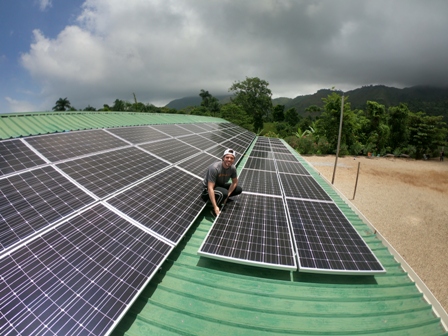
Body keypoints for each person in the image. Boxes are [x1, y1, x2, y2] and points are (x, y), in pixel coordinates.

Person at [201, 148, 243, 216]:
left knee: (238, 189)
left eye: (232, 158)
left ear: (234, 160)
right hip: (207, 190)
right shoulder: (215, 168)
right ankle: (213, 208)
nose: (229, 159)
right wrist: (215, 207)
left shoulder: (233, 168)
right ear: (223, 158)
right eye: (227, 157)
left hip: (219, 185)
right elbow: (210, 188)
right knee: (224, 193)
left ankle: (223, 197)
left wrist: (227, 196)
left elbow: (234, 182)